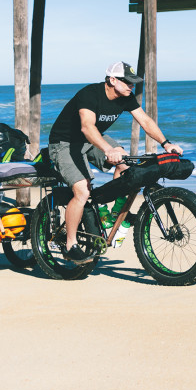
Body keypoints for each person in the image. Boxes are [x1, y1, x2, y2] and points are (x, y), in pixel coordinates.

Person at [47, 61, 183, 264]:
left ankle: (113, 213)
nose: (131, 86)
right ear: (112, 80)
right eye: (127, 82)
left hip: (90, 140)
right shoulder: (90, 94)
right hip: (64, 143)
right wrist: (107, 149)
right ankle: (70, 245)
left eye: (134, 83)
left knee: (127, 165)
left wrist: (166, 143)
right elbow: (87, 127)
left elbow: (145, 121)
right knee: (82, 191)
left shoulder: (126, 97)